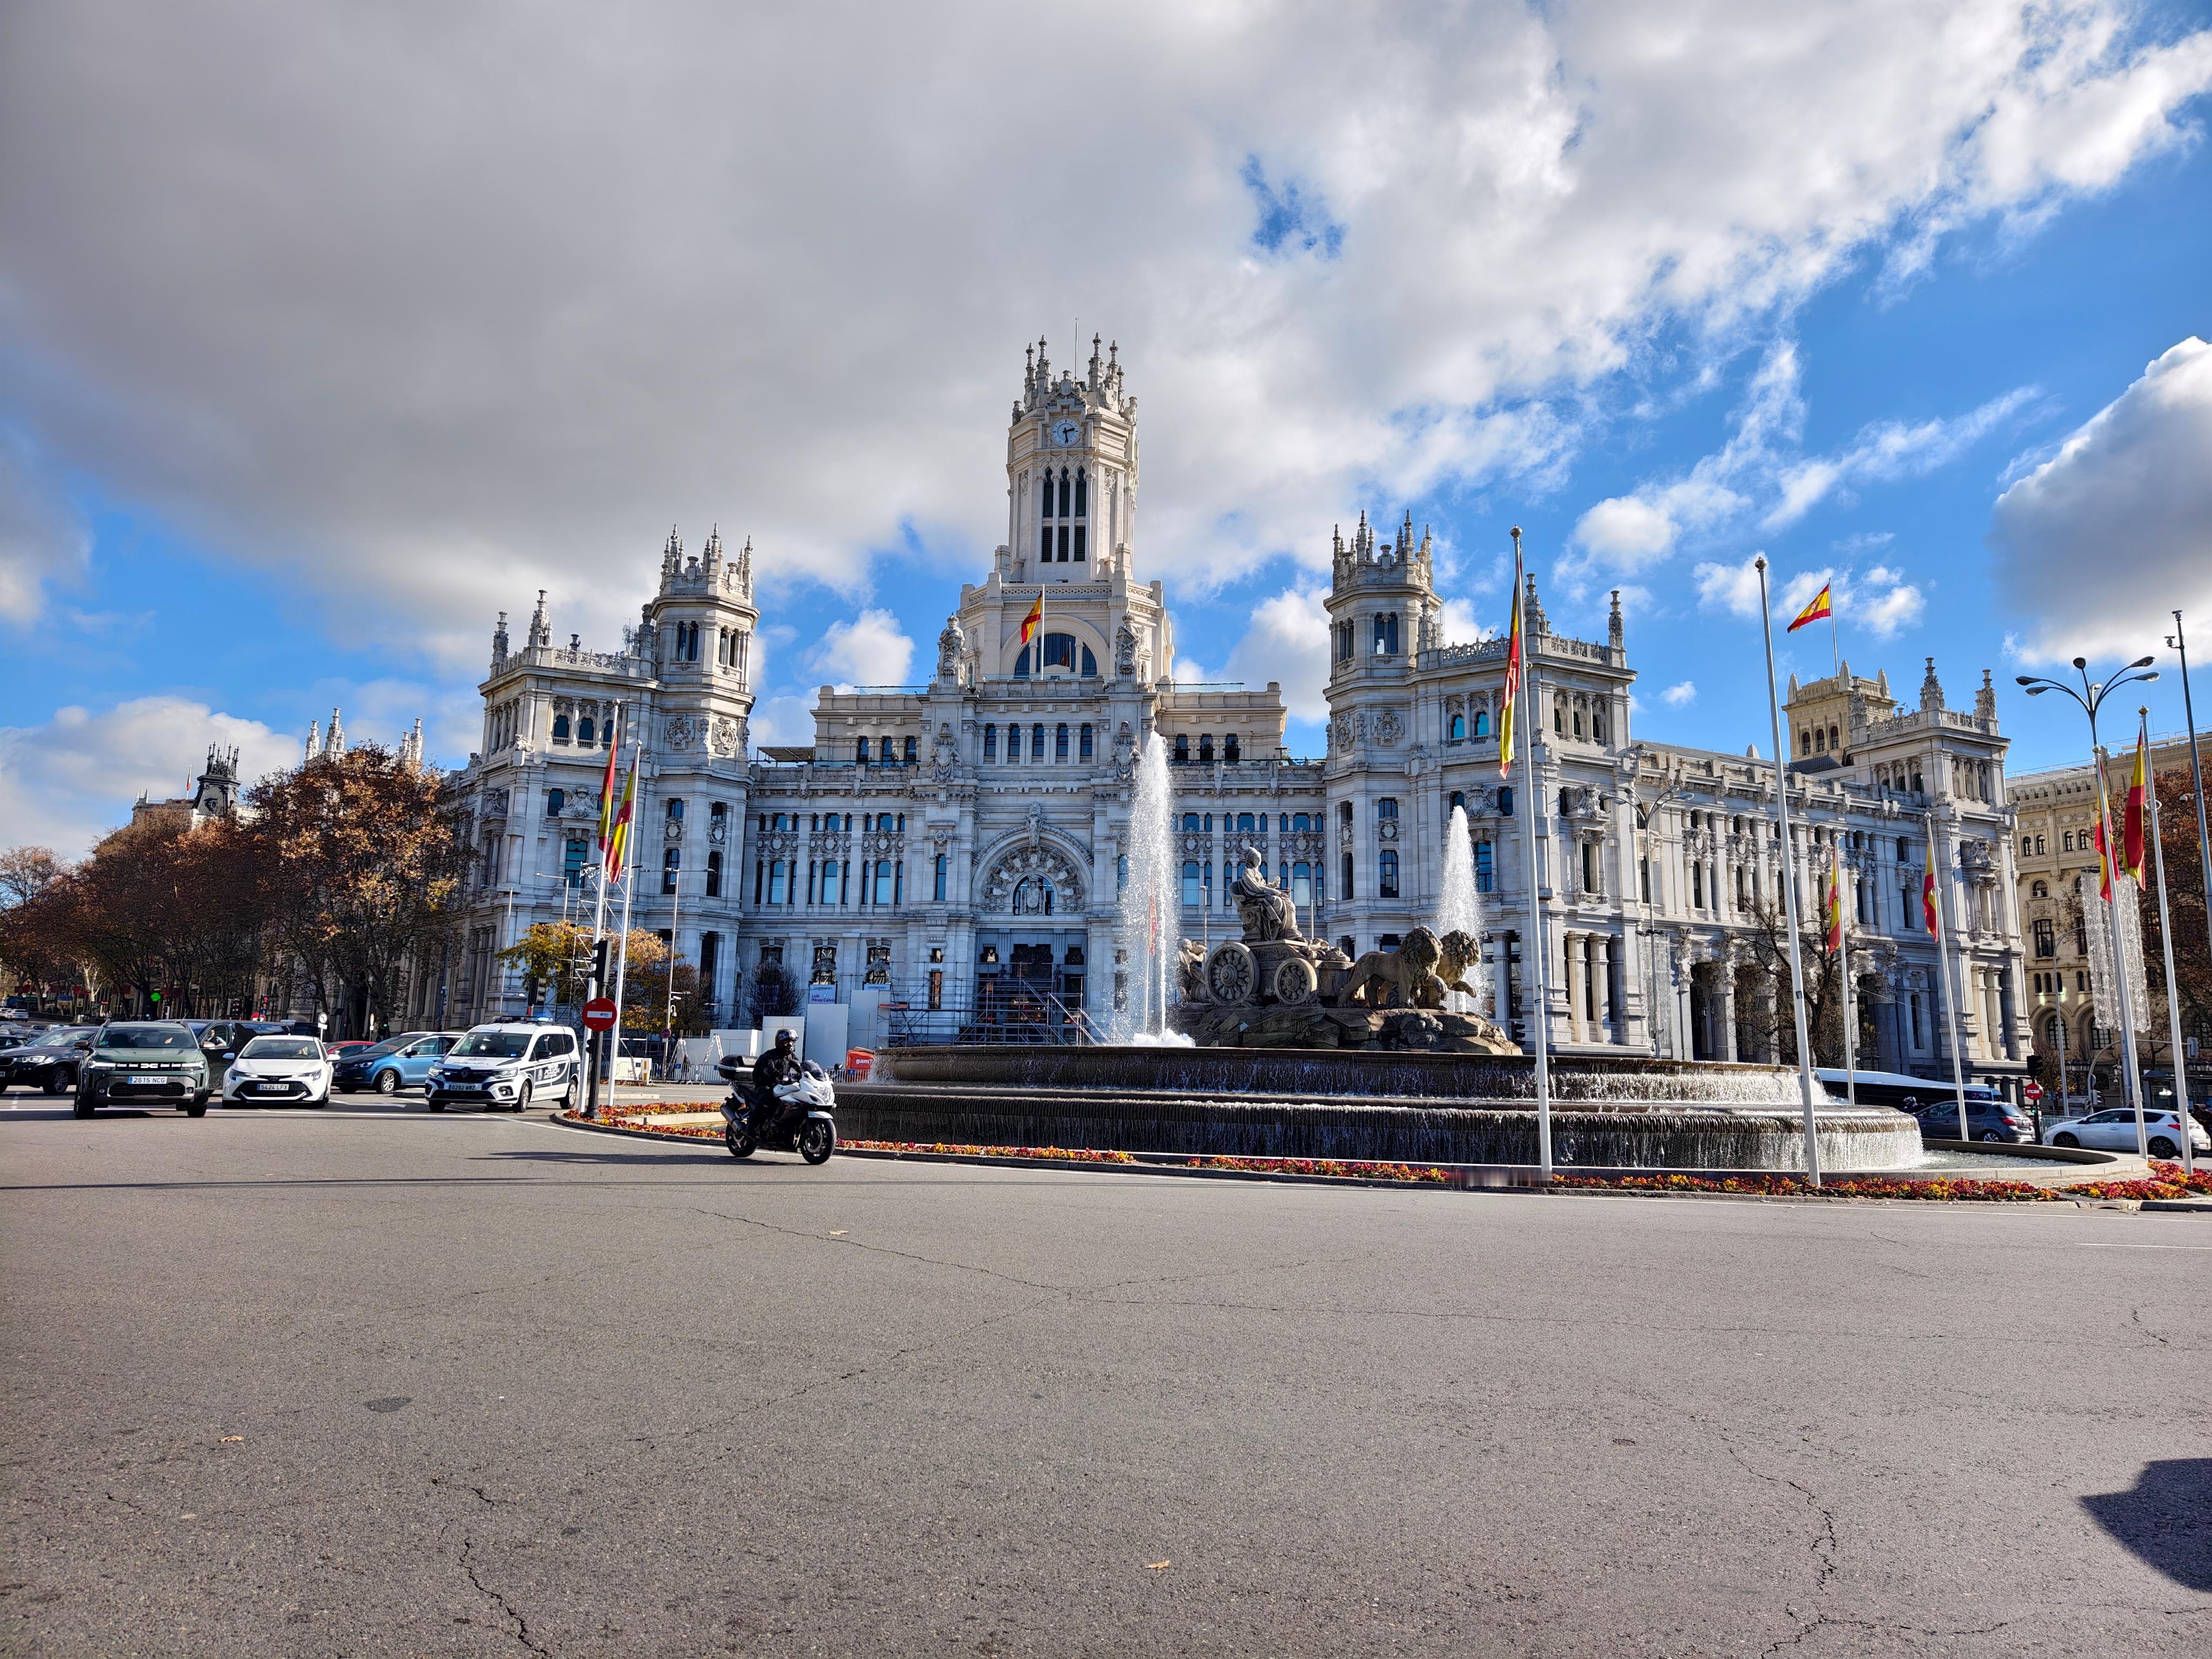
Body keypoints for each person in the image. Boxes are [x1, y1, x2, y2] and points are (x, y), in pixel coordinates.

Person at [750, 1028, 801, 1134]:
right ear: (780, 1042)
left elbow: (800, 1068)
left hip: (781, 1086)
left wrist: (806, 1075)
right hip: (765, 1084)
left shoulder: (792, 1056)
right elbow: (768, 1069)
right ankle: (751, 1127)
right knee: (767, 1099)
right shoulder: (770, 1055)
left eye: (791, 1042)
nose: (790, 1044)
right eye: (787, 1042)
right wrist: (780, 1076)